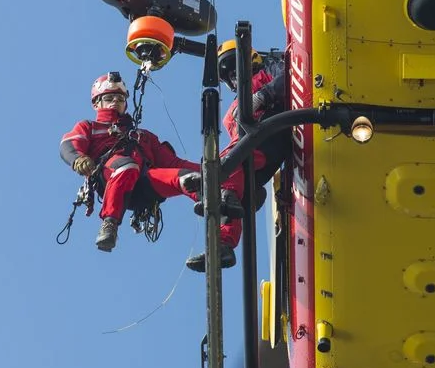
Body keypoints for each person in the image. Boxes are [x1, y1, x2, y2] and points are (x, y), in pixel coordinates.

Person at [60, 72, 240, 267]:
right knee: (126, 165)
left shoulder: (143, 137)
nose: (114, 102)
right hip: (111, 178)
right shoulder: (90, 127)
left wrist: (216, 173)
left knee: (193, 179)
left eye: (119, 99)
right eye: (109, 98)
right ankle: (109, 224)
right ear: (97, 103)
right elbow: (69, 144)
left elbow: (172, 163)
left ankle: (224, 244)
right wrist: (78, 160)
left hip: (146, 182)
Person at [179, 42, 289, 273]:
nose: (234, 79)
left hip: (271, 135)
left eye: (235, 71)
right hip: (253, 154)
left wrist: (264, 95)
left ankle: (225, 194)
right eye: (229, 77)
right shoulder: (235, 107)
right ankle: (223, 245)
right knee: (229, 185)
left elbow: (292, 77)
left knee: (224, 165)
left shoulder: (270, 70)